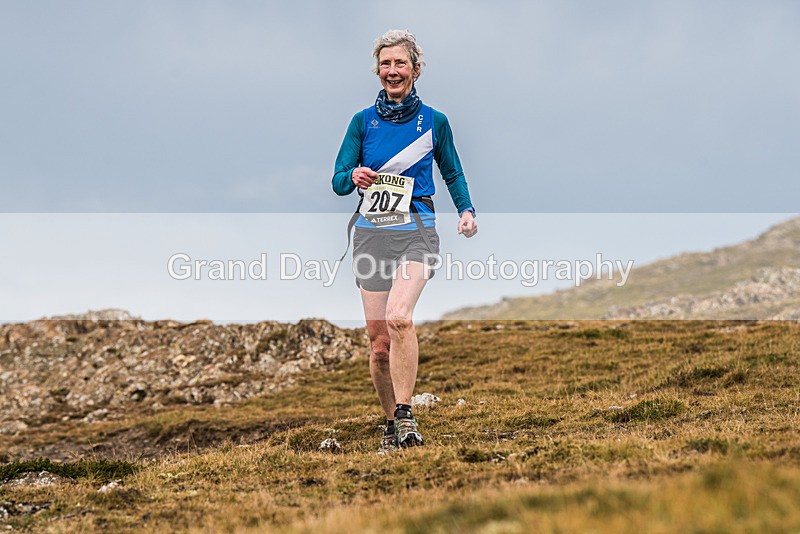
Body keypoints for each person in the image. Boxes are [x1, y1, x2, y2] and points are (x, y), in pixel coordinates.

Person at [332, 29, 477, 452]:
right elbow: (339, 181)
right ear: (378, 70)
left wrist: (467, 210)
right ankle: (390, 425)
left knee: (399, 318)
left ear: (416, 69)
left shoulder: (435, 122)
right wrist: (353, 176)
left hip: (417, 230)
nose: (392, 71)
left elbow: (452, 172)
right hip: (371, 235)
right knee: (378, 346)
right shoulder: (362, 122)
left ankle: (406, 415)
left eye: (400, 63)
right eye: (385, 64)